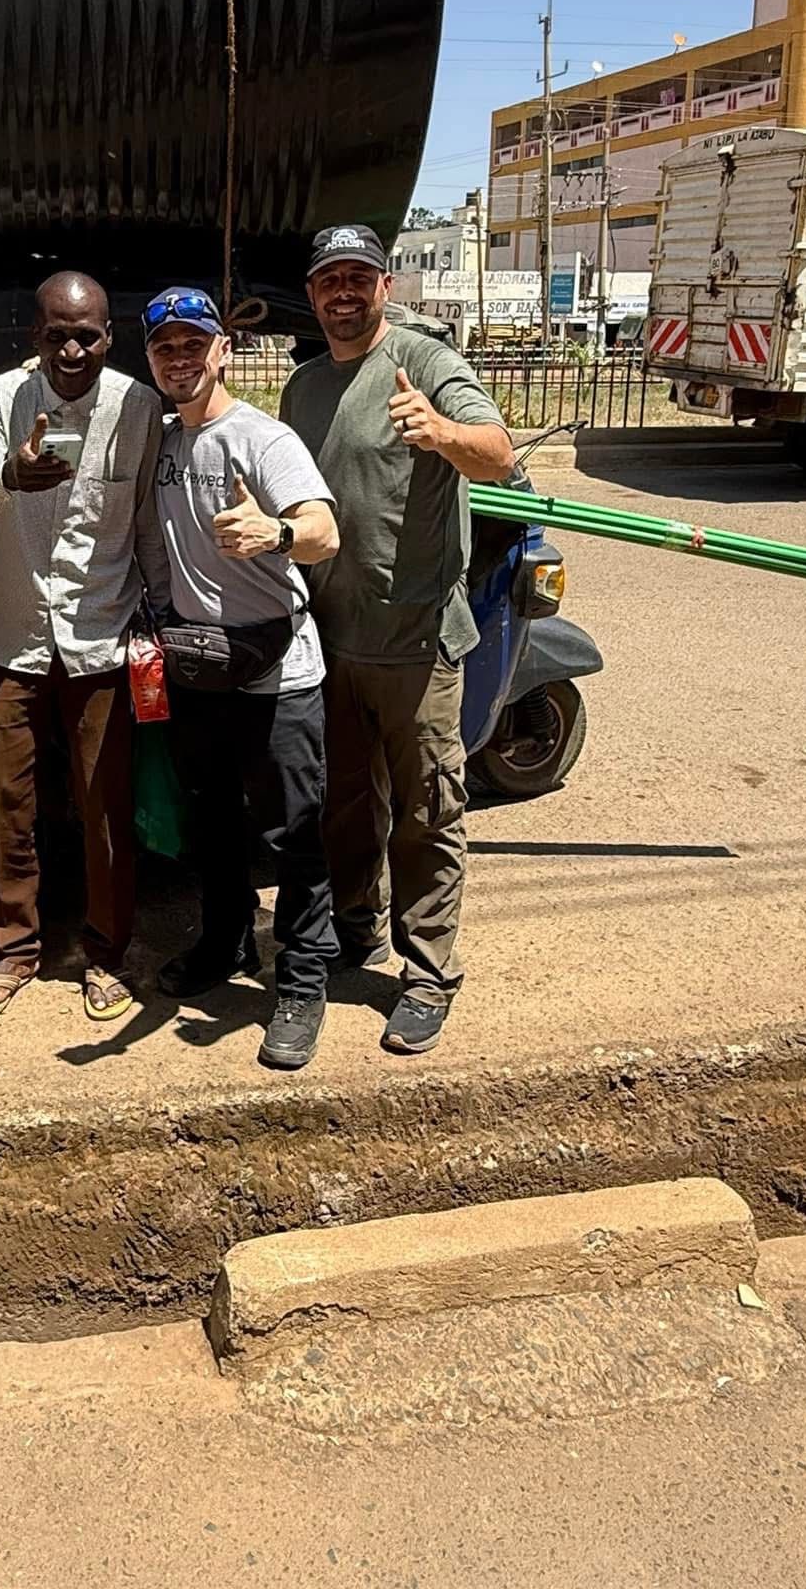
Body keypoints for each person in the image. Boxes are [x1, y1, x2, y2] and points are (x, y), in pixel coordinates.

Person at [280, 224, 515, 1056]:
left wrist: (442, 434)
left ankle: (427, 972)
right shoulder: (303, 386)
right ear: (312, 295)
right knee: (343, 804)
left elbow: (499, 454)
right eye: (328, 280)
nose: (343, 292)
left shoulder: (426, 364)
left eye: (359, 278)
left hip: (417, 641)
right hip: (331, 640)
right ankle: (355, 925)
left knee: (428, 811)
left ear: (385, 286)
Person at [0, 271, 170, 1026]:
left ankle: (106, 952)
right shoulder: (3, 403)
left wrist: (163, 616)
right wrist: (11, 476)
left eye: (88, 334)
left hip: (100, 638)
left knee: (103, 803)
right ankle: (13, 948)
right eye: (57, 333)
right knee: (7, 802)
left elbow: (144, 519)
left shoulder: (137, 407)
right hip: (14, 636)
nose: (72, 348)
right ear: (33, 335)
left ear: (110, 337)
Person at [143, 285, 341, 1071]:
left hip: (278, 673)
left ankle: (300, 981)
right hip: (200, 667)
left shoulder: (263, 439)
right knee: (212, 824)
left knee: (295, 835)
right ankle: (225, 944)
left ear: (223, 349)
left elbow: (325, 532)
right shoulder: (160, 444)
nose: (181, 358)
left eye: (195, 344)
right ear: (152, 358)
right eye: (166, 348)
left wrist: (277, 531)